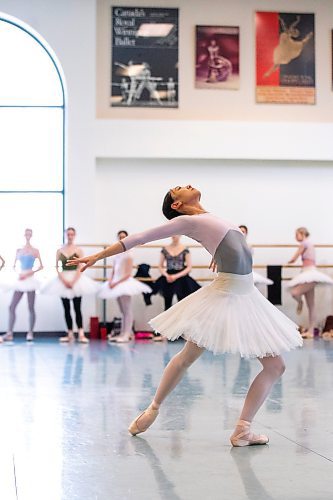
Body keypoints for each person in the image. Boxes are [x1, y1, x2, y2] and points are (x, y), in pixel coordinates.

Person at [67, 185, 302, 446]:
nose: (186, 185)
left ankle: (241, 429)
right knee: (191, 358)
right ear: (176, 205)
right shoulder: (186, 221)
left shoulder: (208, 217)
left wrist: (217, 255)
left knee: (270, 365)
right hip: (227, 297)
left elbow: (228, 244)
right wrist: (97, 256)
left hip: (245, 296)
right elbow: (140, 237)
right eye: (178, 189)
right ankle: (155, 409)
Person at [42, 227, 98, 343]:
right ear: (65, 235)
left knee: (77, 308)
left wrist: (73, 281)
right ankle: (70, 333)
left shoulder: (78, 250)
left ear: (75, 235)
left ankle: (81, 334)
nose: (70, 236)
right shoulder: (60, 250)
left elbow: (80, 266)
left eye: (72, 234)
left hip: (76, 280)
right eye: (68, 234)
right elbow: (57, 267)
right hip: (63, 279)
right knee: (66, 308)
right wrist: (63, 280)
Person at [99, 230, 151, 343]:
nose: (122, 238)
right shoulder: (117, 253)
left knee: (127, 309)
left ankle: (127, 334)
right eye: (120, 237)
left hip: (124, 282)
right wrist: (111, 281)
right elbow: (114, 269)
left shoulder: (129, 253)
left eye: (124, 237)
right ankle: (123, 332)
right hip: (115, 282)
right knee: (122, 310)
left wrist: (116, 283)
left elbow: (127, 274)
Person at [287, 227, 333, 339]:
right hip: (309, 272)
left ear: (302, 234)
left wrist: (289, 262)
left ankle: (300, 302)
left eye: (296, 234)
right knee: (311, 305)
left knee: (294, 293)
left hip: (309, 273)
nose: (295, 237)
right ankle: (311, 331)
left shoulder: (305, 243)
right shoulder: (310, 244)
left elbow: (295, 257)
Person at [1, 228, 43, 342]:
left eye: (30, 233)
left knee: (30, 307)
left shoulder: (35, 250)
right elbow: (14, 266)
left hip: (30, 279)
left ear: (32, 235)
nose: (28, 235)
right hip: (21, 279)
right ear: (24, 235)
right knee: (11, 306)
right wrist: (19, 274)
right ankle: (9, 333)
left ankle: (30, 333)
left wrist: (29, 273)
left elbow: (41, 266)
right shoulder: (18, 250)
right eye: (26, 233)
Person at [155, 235, 200, 310]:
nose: (174, 235)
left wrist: (175, 276)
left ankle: (180, 321)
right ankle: (167, 321)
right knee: (167, 303)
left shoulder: (185, 249)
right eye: (172, 233)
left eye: (176, 233)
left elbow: (189, 267)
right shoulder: (164, 249)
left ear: (180, 235)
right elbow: (160, 266)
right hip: (168, 277)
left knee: (182, 304)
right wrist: (166, 275)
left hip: (181, 277)